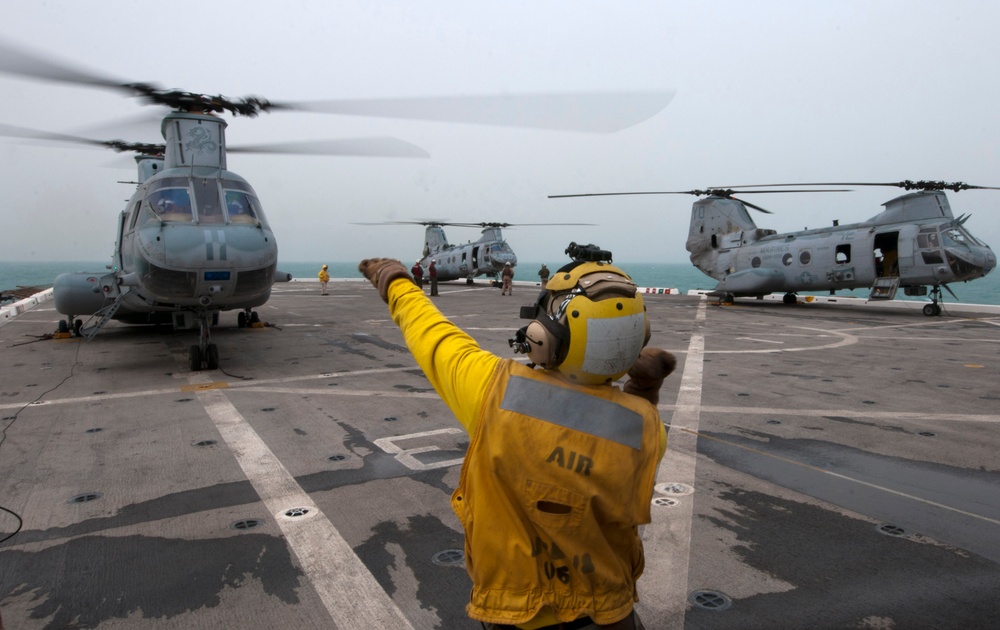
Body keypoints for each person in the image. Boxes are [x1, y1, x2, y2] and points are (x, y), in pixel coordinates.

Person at [357, 257, 675, 630]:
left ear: (546, 337)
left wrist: (395, 281)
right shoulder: (648, 428)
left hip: (518, 615)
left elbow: (431, 331)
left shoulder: (491, 389)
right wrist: (643, 395)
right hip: (609, 613)